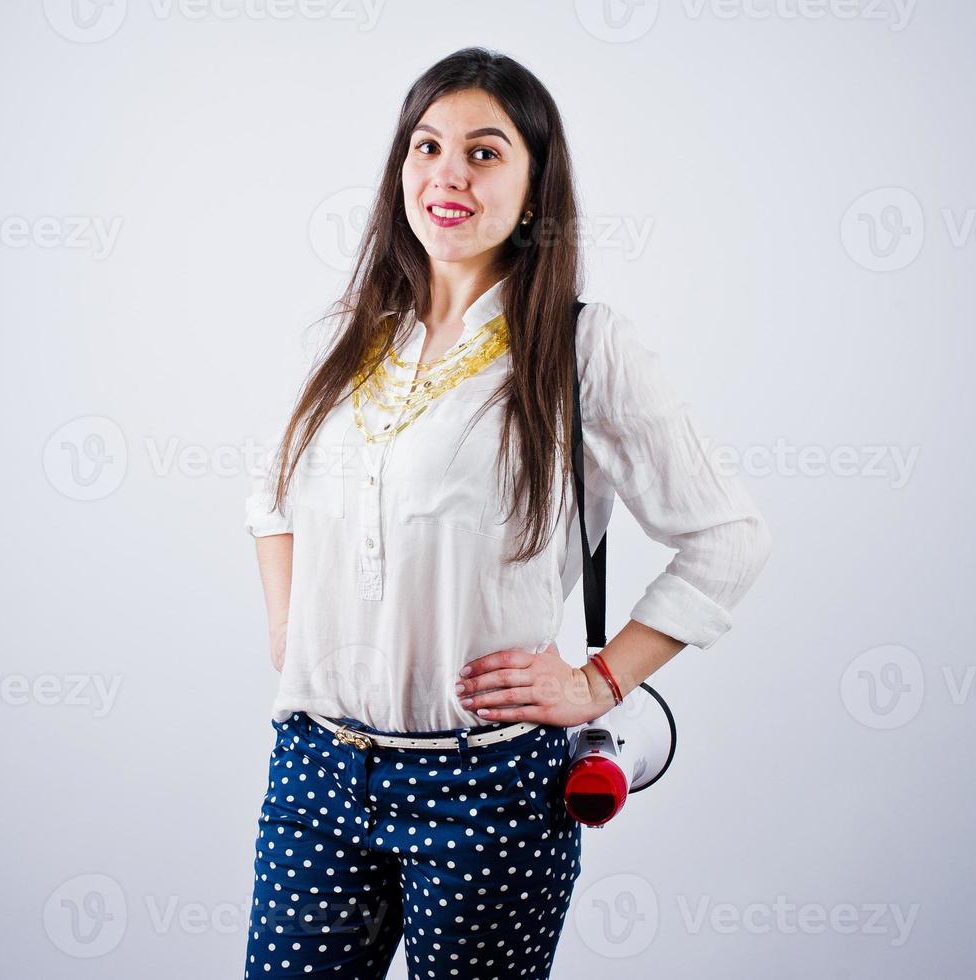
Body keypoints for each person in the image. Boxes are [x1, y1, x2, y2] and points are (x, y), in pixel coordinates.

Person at [240, 46, 772, 979]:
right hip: (315, 770)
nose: (447, 174)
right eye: (426, 146)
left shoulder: (583, 347)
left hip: (484, 785)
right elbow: (270, 497)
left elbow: (726, 539)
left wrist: (598, 682)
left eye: (484, 153)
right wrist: (292, 630)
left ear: (533, 190)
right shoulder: (352, 336)